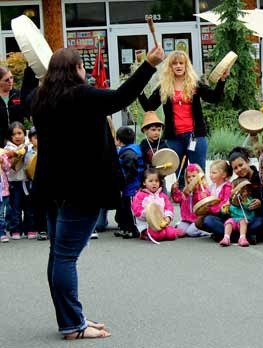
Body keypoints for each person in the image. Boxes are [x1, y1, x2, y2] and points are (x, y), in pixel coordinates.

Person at [31, 46, 164, 339]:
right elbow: (120, 97)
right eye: (81, 67)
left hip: (54, 187)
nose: (85, 72)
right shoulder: (82, 96)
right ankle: (73, 326)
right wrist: (149, 65)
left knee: (58, 255)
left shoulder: (39, 99)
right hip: (82, 188)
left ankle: (72, 319)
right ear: (75, 69)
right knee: (66, 257)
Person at [139, 51, 227, 174]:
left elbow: (214, 98)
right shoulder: (164, 87)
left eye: (181, 63)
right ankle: (180, 193)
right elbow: (149, 107)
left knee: (198, 174)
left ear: (186, 66)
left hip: (195, 136)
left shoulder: (194, 84)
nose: (178, 66)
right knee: (179, 175)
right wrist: (139, 91)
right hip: (174, 138)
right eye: (175, 63)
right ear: (170, 67)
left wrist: (222, 80)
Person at [203, 147, 263, 244]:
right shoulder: (235, 183)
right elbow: (229, 207)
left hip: (251, 219)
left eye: (241, 165)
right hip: (235, 220)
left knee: (261, 222)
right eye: (235, 168)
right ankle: (243, 237)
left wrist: (260, 202)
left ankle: (228, 236)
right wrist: (228, 205)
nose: (239, 169)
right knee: (208, 220)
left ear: (247, 161)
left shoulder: (260, 177)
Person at [132, 168, 185, 242]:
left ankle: (171, 231)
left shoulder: (162, 196)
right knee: (158, 235)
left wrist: (168, 217)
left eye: (156, 181)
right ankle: (145, 234)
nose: (154, 183)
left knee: (171, 234)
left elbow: (168, 207)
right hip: (146, 225)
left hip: (161, 223)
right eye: (150, 181)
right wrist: (148, 214)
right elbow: (136, 209)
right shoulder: (140, 195)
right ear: (144, 182)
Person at [115, 126, 144, 239]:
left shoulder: (129, 153)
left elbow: (131, 171)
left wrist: (122, 182)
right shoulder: (132, 150)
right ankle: (126, 228)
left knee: (131, 209)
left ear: (118, 140)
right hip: (129, 187)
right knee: (125, 209)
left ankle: (135, 229)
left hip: (132, 187)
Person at [5, 121, 31, 239]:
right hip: (13, 182)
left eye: (19, 133)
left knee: (28, 206)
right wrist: (15, 155)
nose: (17, 136)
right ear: (11, 136)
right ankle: (15, 229)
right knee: (15, 207)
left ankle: (29, 228)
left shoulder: (29, 146)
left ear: (24, 134)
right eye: (14, 134)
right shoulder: (7, 149)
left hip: (26, 181)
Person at [171, 163, 207, 237]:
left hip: (198, 220)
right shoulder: (186, 190)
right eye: (188, 177)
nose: (191, 179)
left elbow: (202, 203)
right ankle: (186, 228)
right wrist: (175, 190)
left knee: (190, 232)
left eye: (194, 176)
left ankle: (204, 231)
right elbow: (177, 199)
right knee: (180, 231)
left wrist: (196, 191)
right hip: (187, 220)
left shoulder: (203, 190)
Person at [24, 127, 47, 241]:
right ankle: (41, 229)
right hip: (35, 185)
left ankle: (51, 229)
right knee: (39, 209)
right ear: (30, 139)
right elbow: (28, 170)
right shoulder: (29, 154)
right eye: (36, 138)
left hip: (48, 184)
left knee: (51, 208)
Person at [219, 178, 254, 247]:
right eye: (232, 188)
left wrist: (244, 199)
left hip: (244, 220)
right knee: (229, 222)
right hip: (234, 221)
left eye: (233, 188)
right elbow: (224, 212)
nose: (231, 190)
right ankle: (226, 238)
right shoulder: (231, 200)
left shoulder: (248, 198)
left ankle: (242, 238)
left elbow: (248, 206)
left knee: (242, 221)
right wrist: (225, 207)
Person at [0, 67, 25, 143]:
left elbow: (26, 111)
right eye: (6, 80)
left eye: (11, 78)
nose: (10, 81)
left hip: (18, 139)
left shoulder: (18, 94)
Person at [0, 148, 10, 243]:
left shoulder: (2, 153)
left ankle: (2, 233)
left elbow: (7, 169)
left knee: (1, 214)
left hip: (2, 191)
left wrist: (3, 161)